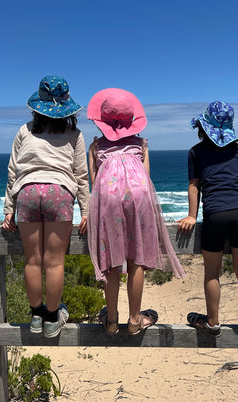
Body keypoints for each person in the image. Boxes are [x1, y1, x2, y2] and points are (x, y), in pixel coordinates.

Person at [86, 88, 185, 335]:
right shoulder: (141, 143)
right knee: (136, 259)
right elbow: (147, 178)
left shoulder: (96, 146)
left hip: (108, 200)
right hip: (139, 198)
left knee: (110, 262)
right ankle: (133, 320)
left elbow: (94, 182)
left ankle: (110, 321)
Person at [2, 76, 89, 338]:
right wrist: (86, 211)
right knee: (54, 262)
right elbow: (81, 175)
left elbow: (13, 171)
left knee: (33, 260)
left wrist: (9, 208)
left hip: (27, 192)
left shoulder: (25, 130)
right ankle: (52, 319)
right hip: (59, 193)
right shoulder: (74, 134)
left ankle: (36, 316)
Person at [177, 101, 238, 336]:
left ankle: (213, 322)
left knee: (212, 272)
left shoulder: (195, 152)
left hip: (215, 214)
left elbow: (194, 186)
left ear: (203, 127)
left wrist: (191, 216)